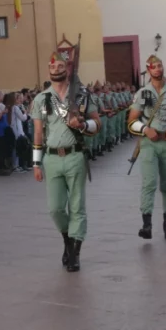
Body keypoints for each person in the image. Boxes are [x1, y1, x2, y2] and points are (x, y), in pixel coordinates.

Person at [31, 47, 102, 271]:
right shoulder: (41, 99)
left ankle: (75, 253)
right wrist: (35, 162)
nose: (56, 69)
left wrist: (82, 124)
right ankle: (67, 239)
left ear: (67, 69)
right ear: (49, 70)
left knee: (77, 206)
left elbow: (97, 123)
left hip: (75, 155)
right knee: (55, 209)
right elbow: (38, 133)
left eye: (60, 66)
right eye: (53, 66)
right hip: (51, 158)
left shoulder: (81, 94)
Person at [127, 55, 166, 241]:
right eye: (153, 67)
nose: (157, 69)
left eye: (160, 65)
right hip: (148, 144)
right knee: (149, 183)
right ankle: (146, 225)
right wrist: (145, 129)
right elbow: (131, 121)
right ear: (149, 70)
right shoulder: (142, 93)